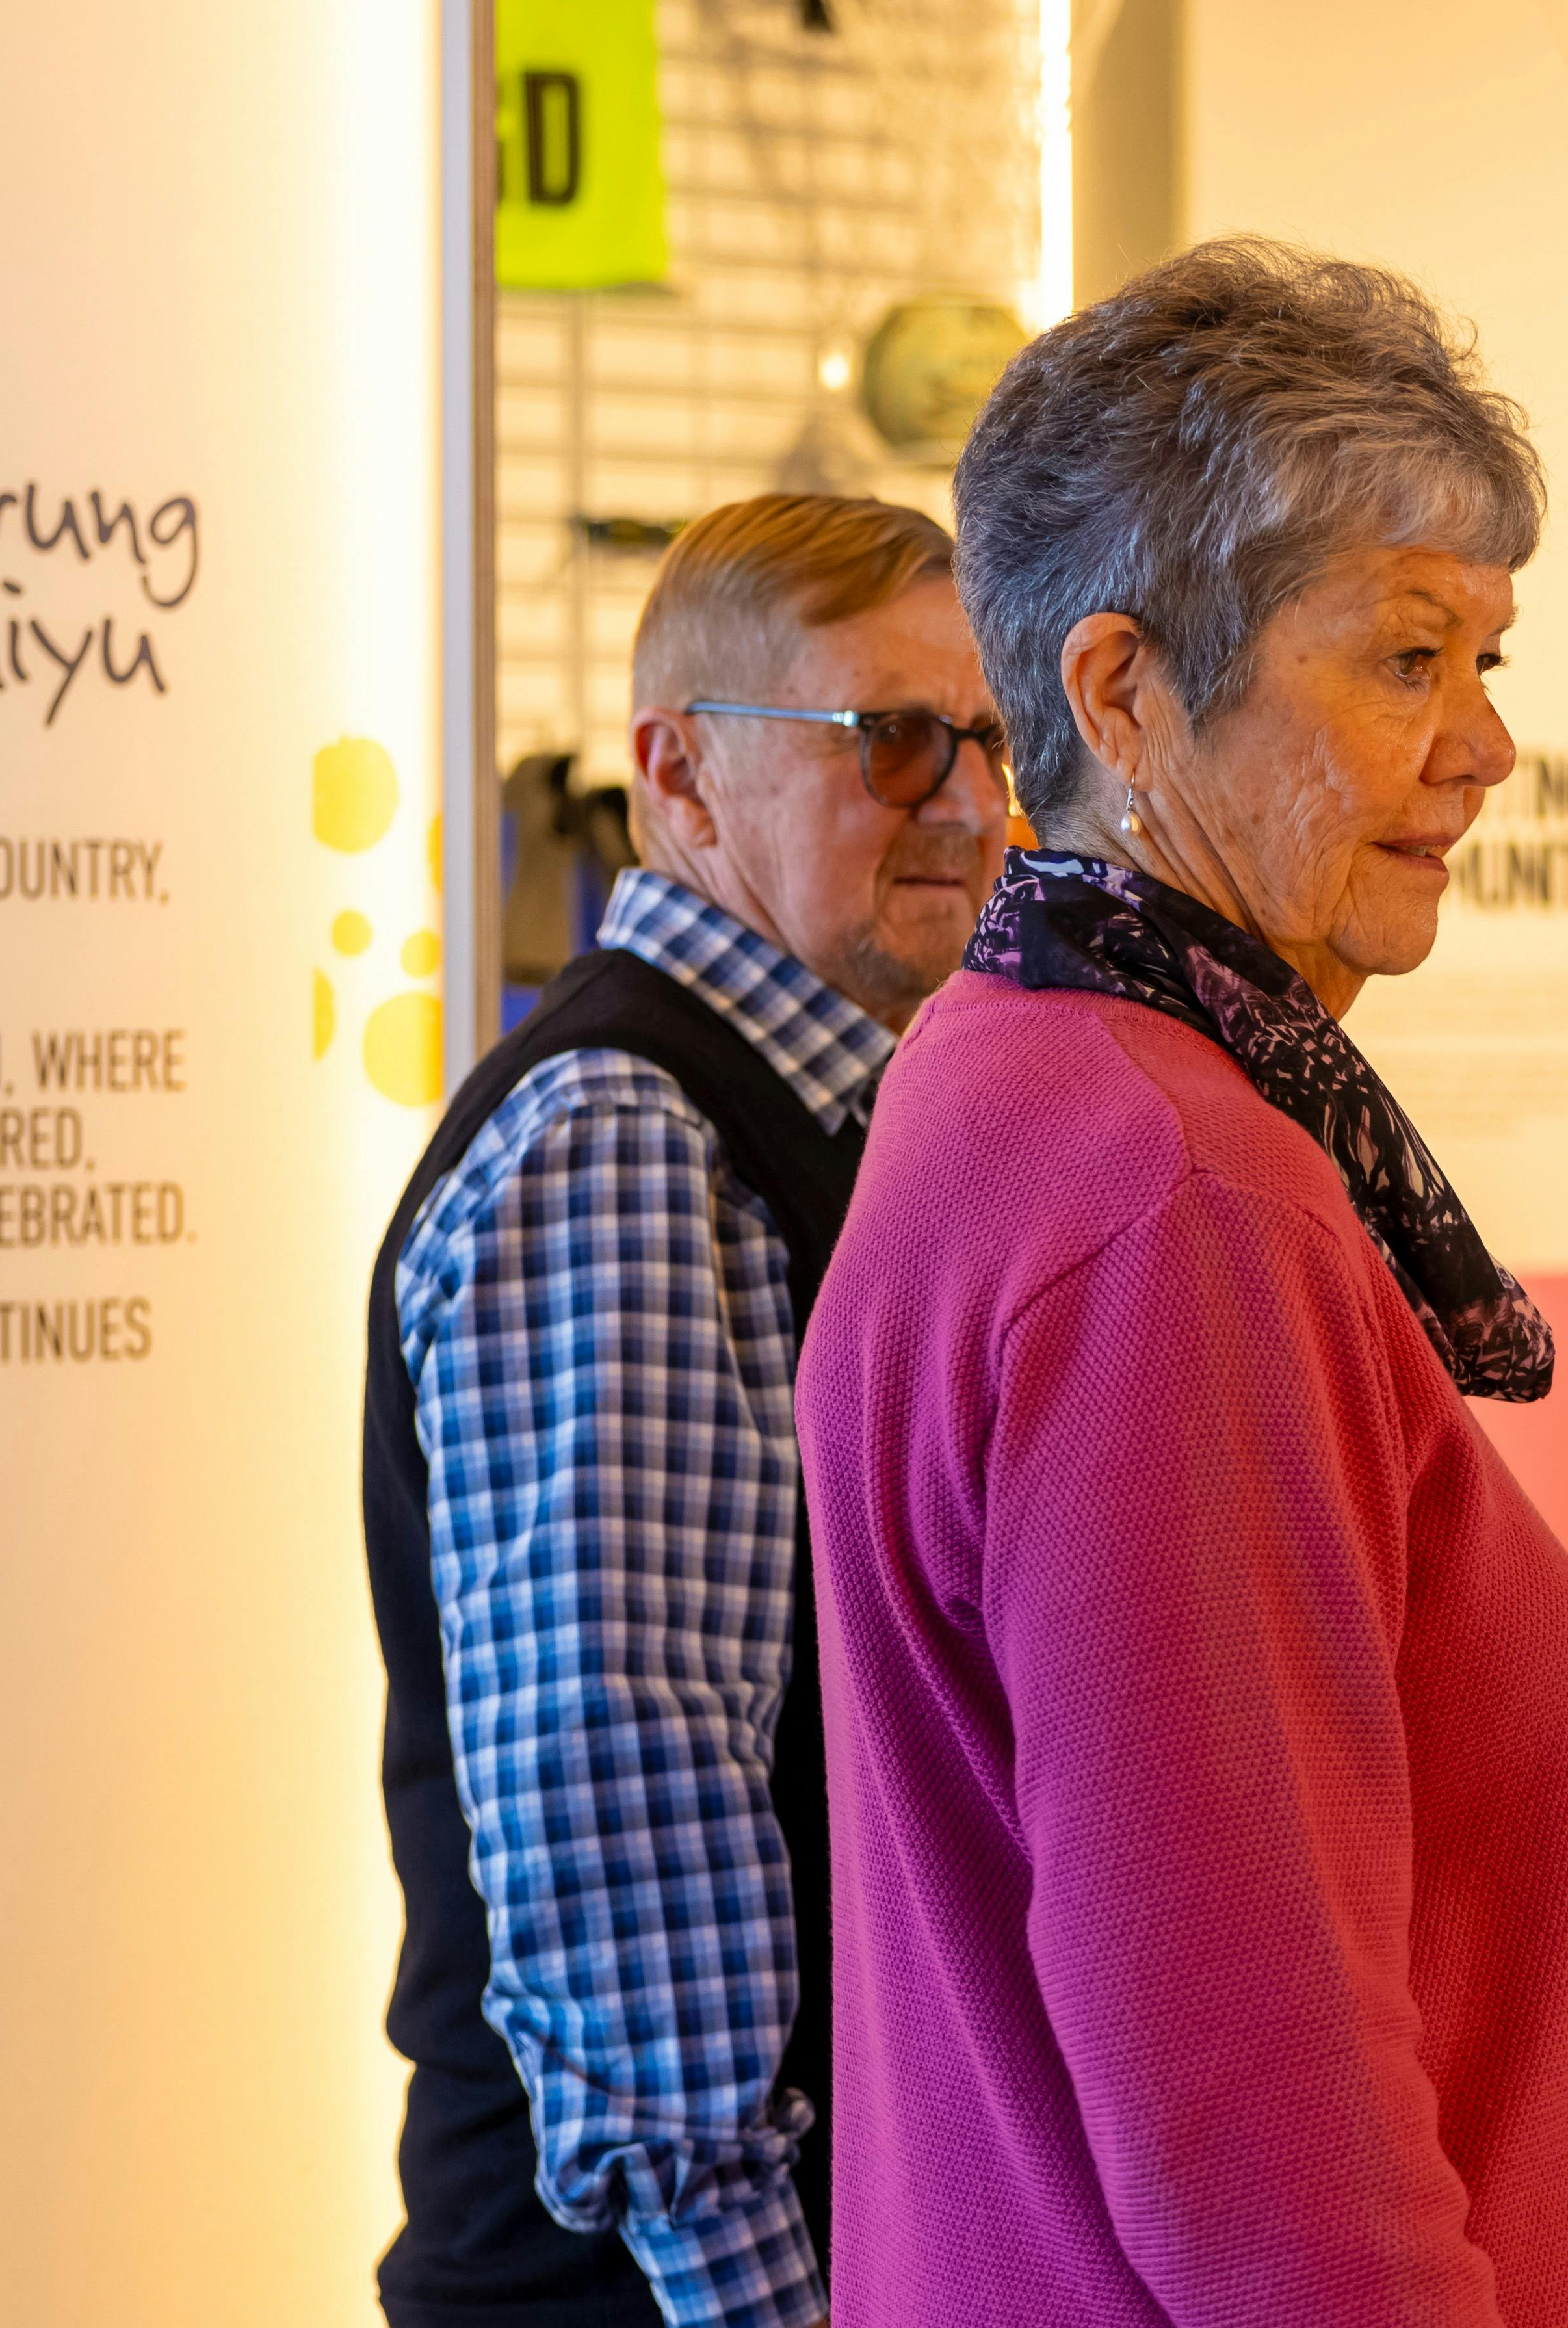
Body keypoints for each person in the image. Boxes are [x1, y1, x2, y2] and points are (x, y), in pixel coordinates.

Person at [798, 244, 1568, 2328]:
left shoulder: (1015, 1067)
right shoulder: (1176, 1199)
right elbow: (1259, 2118)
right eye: (1405, 660)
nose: (1484, 746)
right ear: (1125, 695)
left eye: (1489, 657)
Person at [364, 491, 1012, 2328]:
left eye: (989, 737)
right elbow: (623, 1802)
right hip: (665, 2289)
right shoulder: (628, 1144)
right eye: (891, 739)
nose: (965, 801)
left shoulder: (807, 1120)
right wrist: (763, 2300)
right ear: (679, 775)